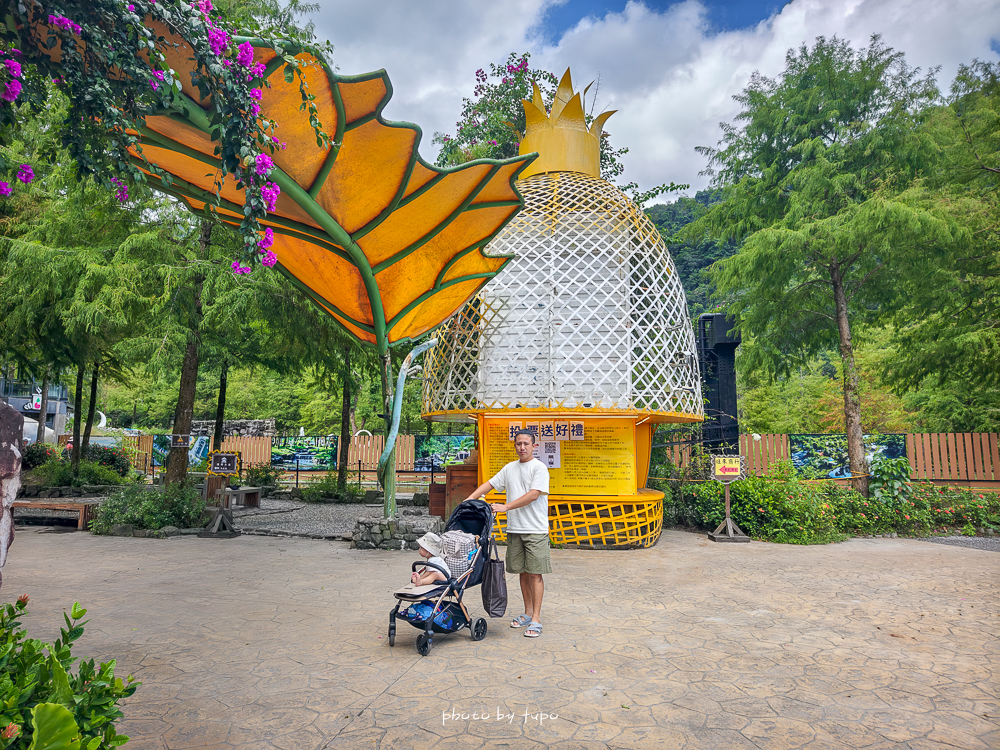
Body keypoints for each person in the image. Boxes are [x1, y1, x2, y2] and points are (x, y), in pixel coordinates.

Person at [465, 429, 550, 638]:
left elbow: (533, 495)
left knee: (535, 574)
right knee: (521, 572)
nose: (522, 447)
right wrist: (471, 498)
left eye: (526, 444)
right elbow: (490, 484)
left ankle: (537, 619)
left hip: (535, 530)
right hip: (515, 529)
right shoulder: (510, 468)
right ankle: (528, 613)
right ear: (515, 445)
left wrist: (506, 507)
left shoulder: (539, 468)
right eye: (518, 444)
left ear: (533, 446)